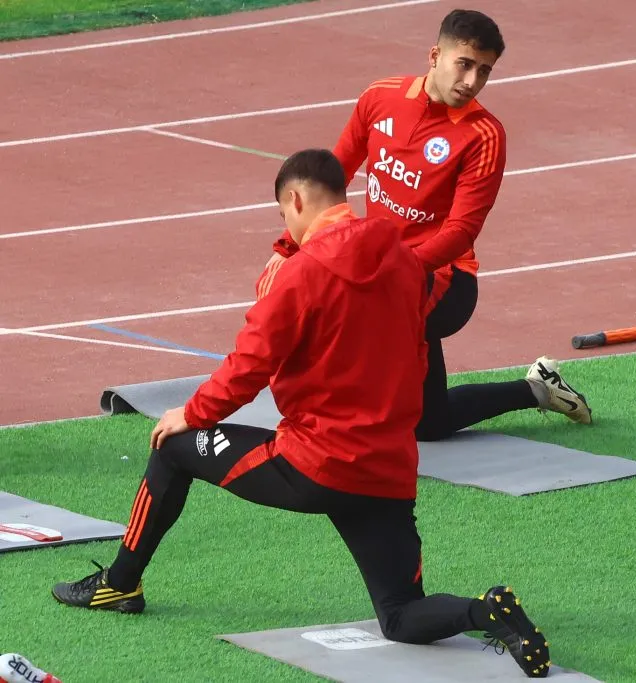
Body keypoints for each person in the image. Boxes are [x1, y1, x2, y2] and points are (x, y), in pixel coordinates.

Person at [52, 149, 554, 678]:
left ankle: (120, 583)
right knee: (401, 616)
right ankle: (485, 610)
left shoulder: (300, 275)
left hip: (314, 465)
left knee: (172, 446)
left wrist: (193, 413)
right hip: (386, 468)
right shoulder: (406, 260)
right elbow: (419, 348)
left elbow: (249, 366)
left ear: (293, 200)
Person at [261, 9, 592, 441]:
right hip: (383, 271)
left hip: (444, 280)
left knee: (349, 313)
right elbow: (330, 179)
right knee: (428, 424)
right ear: (435, 55)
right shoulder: (380, 97)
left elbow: (461, 231)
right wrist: (288, 247)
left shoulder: (484, 135)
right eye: (464, 64)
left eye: (484, 71)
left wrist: (390, 268)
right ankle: (537, 388)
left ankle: (330, 420)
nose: (472, 81)